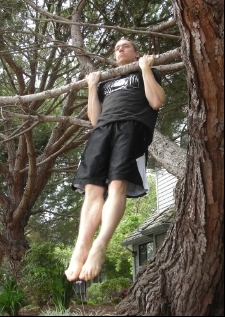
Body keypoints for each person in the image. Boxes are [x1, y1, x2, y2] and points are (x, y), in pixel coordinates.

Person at [65, 38, 165, 282]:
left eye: (126, 46)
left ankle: (100, 245)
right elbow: (94, 119)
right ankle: (81, 247)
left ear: (136, 52)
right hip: (102, 131)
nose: (119, 49)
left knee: (117, 183)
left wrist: (145, 68)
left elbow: (157, 101)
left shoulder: (146, 71)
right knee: (92, 188)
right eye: (117, 47)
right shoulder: (106, 83)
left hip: (133, 127)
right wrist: (92, 86)